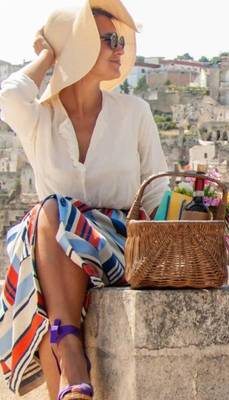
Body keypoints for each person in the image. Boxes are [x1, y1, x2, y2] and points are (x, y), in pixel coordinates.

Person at [0, 1, 168, 399]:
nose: (119, 48)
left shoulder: (134, 112)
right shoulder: (41, 117)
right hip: (58, 247)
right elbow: (8, 97)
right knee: (50, 220)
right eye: (107, 39)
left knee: (48, 217)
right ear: (77, 46)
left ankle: (68, 346)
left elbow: (159, 193)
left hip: (121, 243)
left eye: (120, 40)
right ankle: (69, 365)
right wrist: (48, 55)